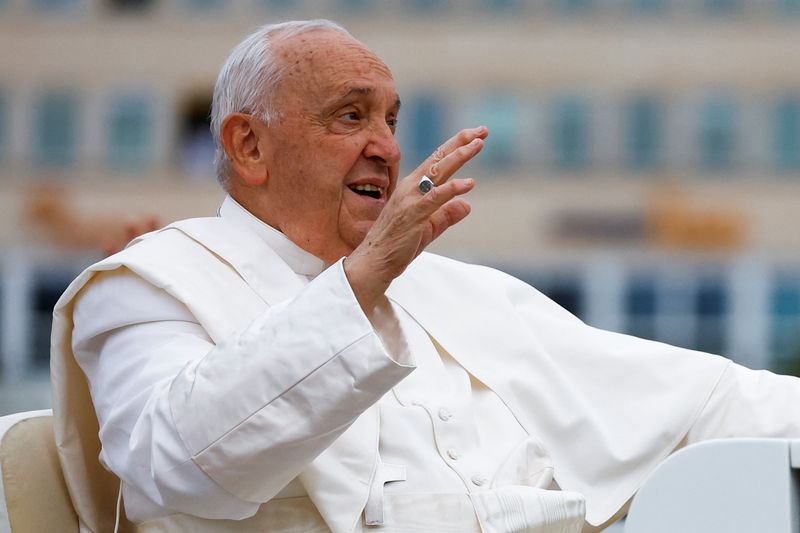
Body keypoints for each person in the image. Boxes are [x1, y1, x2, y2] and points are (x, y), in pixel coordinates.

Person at [51, 19, 800, 533]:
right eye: (350, 117)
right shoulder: (146, 285)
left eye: (391, 120)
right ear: (248, 146)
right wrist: (362, 279)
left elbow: (703, 399)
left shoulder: (453, 288)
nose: (385, 146)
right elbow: (173, 466)